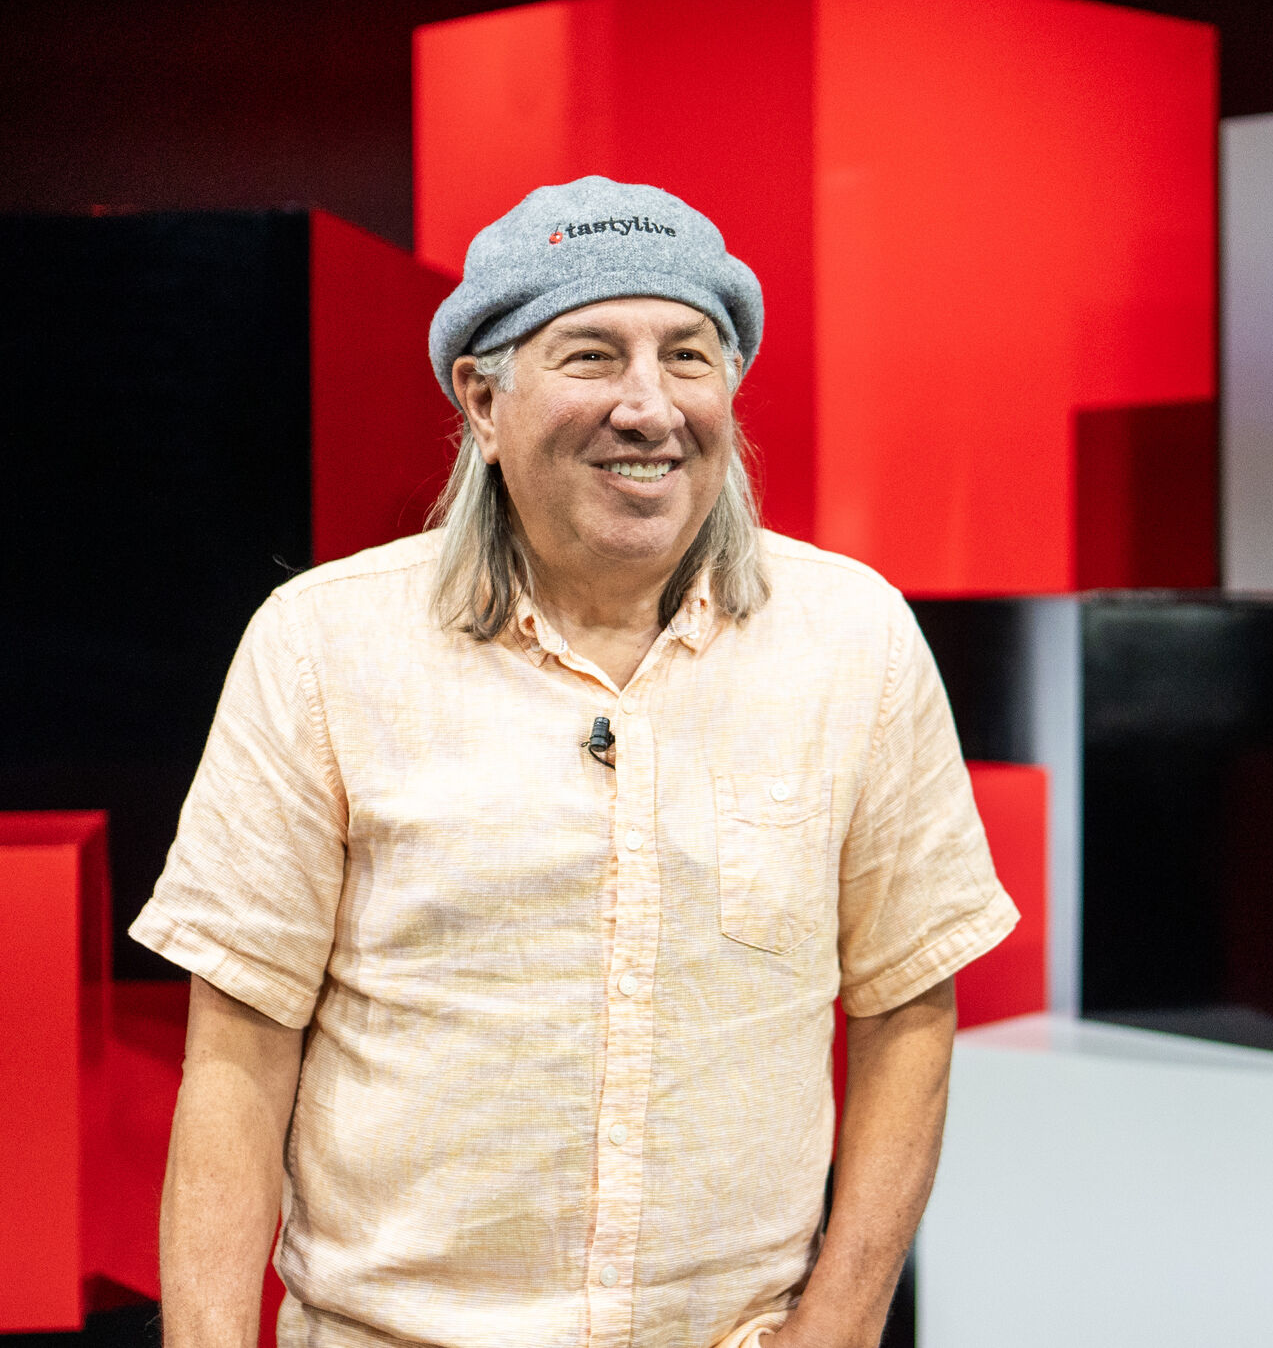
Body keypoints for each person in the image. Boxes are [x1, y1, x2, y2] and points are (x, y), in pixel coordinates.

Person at [132, 175, 1017, 1348]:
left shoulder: (852, 639)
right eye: (592, 355)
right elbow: (237, 1061)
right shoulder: (322, 650)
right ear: (483, 401)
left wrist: (839, 1328)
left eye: (688, 358)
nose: (648, 407)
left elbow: (908, 1008)